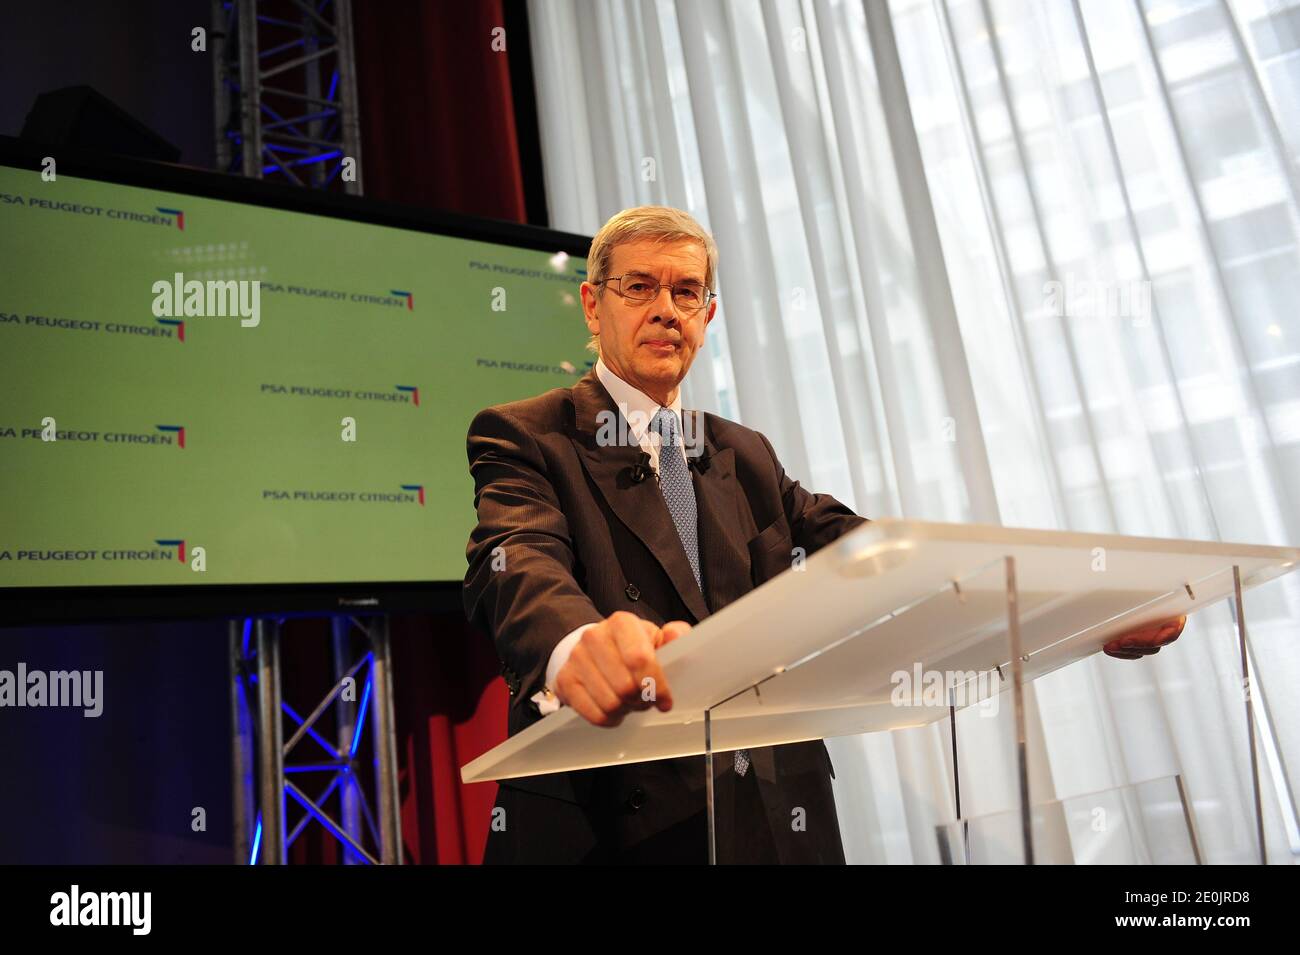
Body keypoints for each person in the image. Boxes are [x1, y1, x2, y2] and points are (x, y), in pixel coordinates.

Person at [463, 205, 1184, 864]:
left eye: (686, 293)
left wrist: (1082, 604)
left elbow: (875, 556)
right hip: (610, 821)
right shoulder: (528, 433)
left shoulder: (741, 452)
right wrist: (575, 646)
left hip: (773, 816)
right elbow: (515, 561)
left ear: (708, 314)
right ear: (594, 304)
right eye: (639, 288)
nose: (665, 310)